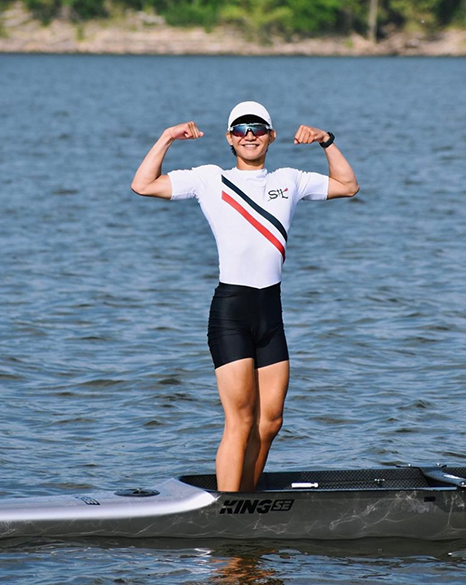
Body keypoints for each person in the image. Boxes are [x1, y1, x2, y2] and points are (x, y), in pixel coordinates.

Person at [131, 101, 359, 492]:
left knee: (270, 421)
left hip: (271, 313)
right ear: (229, 139)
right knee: (240, 419)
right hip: (231, 313)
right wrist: (167, 137)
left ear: (270, 136)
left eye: (257, 128)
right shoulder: (209, 179)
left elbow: (348, 185)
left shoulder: (290, 179)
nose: (248, 135)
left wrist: (327, 141)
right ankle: (228, 507)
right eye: (240, 129)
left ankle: (246, 503)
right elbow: (143, 184)